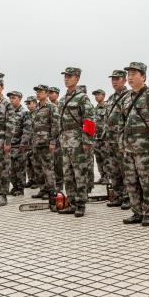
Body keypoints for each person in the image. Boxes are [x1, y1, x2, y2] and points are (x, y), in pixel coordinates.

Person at [121, 62, 149, 226]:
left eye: (134, 74)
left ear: (143, 77)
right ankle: (137, 211)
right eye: (129, 75)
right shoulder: (127, 97)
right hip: (129, 148)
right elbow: (122, 122)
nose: (130, 77)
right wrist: (122, 142)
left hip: (145, 147)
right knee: (131, 182)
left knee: (147, 181)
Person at [56, 68, 95, 217]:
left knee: (80, 174)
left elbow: (89, 120)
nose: (66, 79)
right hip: (65, 142)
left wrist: (86, 141)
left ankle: (81, 204)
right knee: (68, 174)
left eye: (70, 76)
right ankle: (71, 202)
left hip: (78, 142)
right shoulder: (62, 100)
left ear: (77, 79)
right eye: (65, 76)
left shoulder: (82, 98)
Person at [102, 70, 130, 208]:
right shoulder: (112, 98)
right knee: (114, 169)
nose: (114, 81)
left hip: (122, 140)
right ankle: (118, 195)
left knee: (125, 169)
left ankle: (128, 197)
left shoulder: (129, 96)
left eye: (117, 79)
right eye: (112, 79)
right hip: (110, 139)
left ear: (124, 80)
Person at [30, 85, 60, 199]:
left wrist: (53, 141)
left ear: (47, 93)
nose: (38, 94)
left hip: (46, 142)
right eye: (37, 92)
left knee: (48, 167)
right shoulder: (36, 108)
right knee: (37, 167)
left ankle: (51, 190)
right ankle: (43, 189)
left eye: (41, 91)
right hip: (36, 142)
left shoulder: (52, 107)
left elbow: (56, 125)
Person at [7, 91, 32, 196]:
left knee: (20, 169)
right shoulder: (9, 112)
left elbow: (27, 129)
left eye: (14, 98)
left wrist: (23, 144)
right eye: (10, 98)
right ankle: (14, 187)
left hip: (19, 146)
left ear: (20, 99)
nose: (11, 100)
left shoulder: (24, 113)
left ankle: (20, 188)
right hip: (10, 145)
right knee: (11, 169)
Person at [48, 86, 64, 191]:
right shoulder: (47, 106)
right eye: (49, 93)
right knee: (51, 162)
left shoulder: (60, 106)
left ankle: (59, 183)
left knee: (58, 162)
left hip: (60, 138)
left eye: (52, 93)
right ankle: (52, 183)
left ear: (57, 94)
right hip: (49, 138)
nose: (50, 95)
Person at [92, 89, 109, 185]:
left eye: (98, 94)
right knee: (99, 159)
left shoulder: (107, 107)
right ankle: (102, 176)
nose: (96, 96)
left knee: (106, 158)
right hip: (96, 138)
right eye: (95, 95)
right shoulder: (95, 109)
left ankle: (107, 177)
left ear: (103, 95)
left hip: (104, 138)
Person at [24, 95, 39, 188]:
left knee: (35, 162)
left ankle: (37, 180)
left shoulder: (38, 114)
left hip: (35, 141)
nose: (28, 106)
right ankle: (31, 179)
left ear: (35, 103)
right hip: (27, 142)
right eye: (27, 104)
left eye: (29, 103)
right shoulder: (27, 114)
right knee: (28, 162)